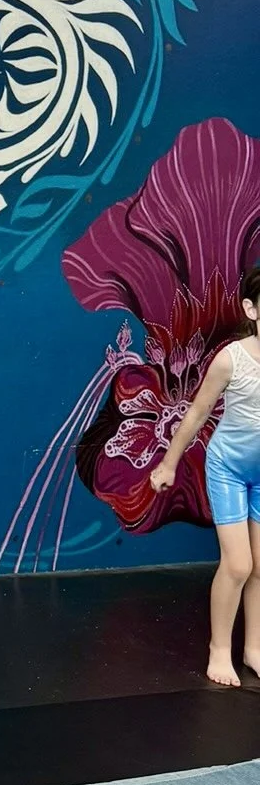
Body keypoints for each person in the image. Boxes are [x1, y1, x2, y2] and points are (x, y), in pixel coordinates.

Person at [151, 264, 260, 687]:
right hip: (230, 470)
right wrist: (169, 463)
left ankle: (253, 647)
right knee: (238, 564)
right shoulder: (231, 359)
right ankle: (220, 649)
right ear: (251, 309)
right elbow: (196, 413)